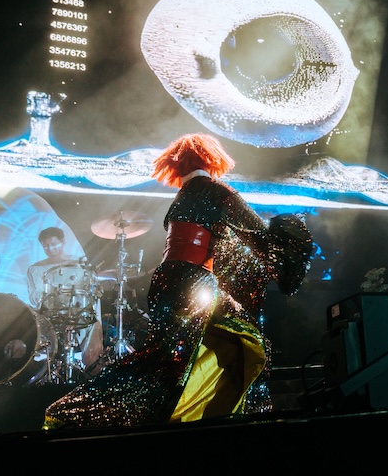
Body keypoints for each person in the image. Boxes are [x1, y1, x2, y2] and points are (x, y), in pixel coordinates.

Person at [43, 133, 313, 428]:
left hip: (165, 283)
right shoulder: (216, 192)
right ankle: (76, 413)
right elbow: (258, 232)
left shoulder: (180, 199)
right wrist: (291, 232)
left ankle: (194, 416)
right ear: (211, 160)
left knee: (167, 360)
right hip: (193, 281)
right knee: (237, 343)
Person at [27, 226, 103, 378]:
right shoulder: (35, 269)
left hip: (80, 313)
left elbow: (89, 290)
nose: (50, 249)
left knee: (92, 322)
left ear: (63, 242)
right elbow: (35, 297)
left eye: (53, 244)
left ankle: (93, 370)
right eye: (46, 246)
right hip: (52, 316)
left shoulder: (79, 264)